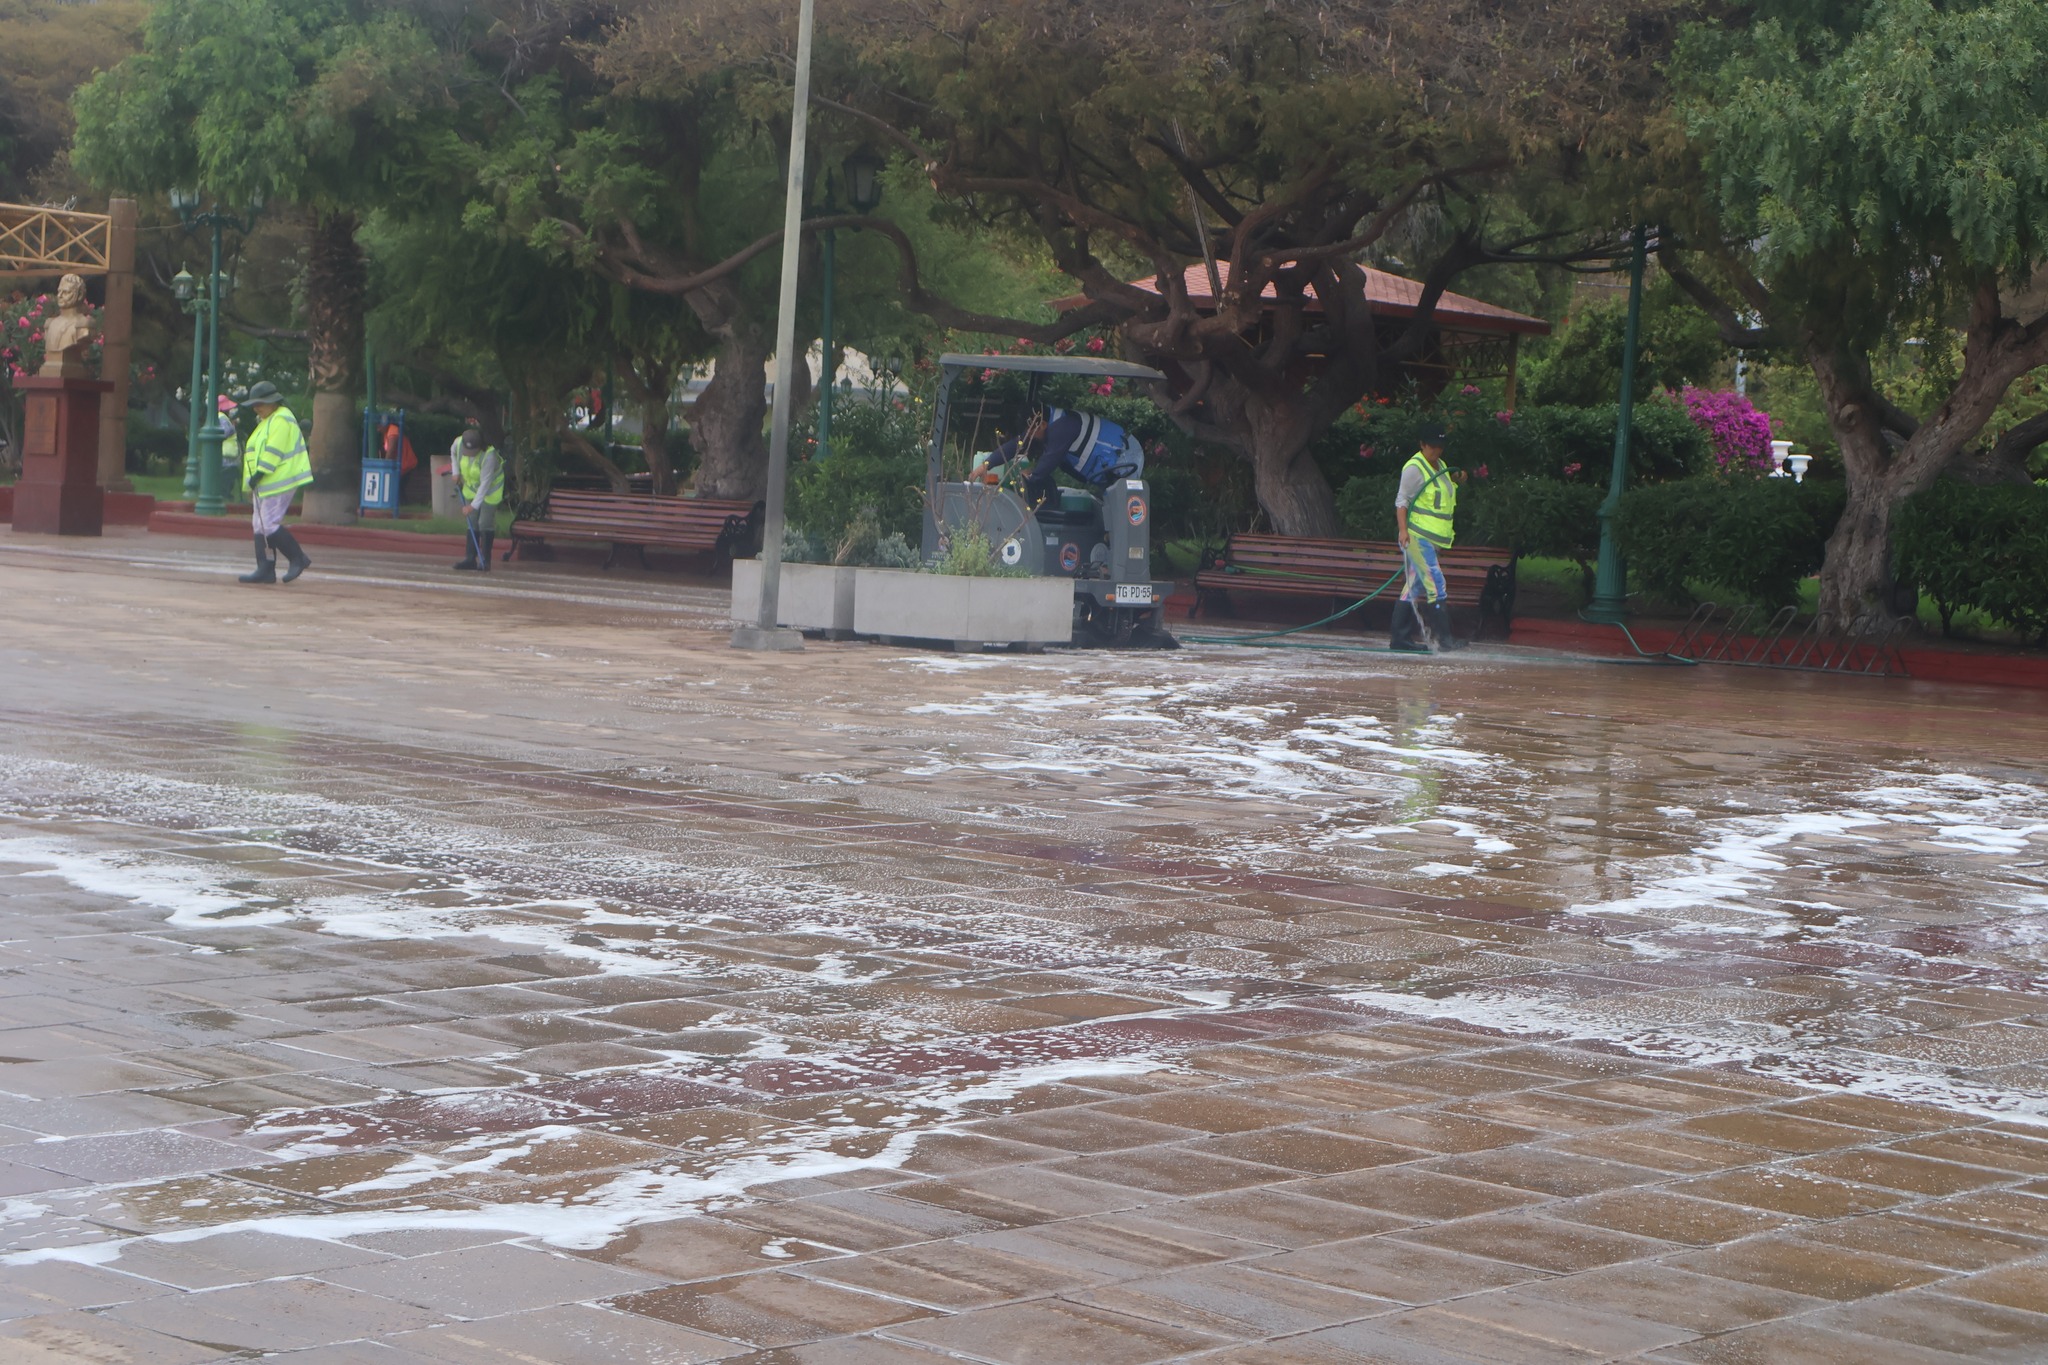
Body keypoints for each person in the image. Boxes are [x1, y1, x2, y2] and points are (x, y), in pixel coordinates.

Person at [970, 406, 1144, 509]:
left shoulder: (1064, 427)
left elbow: (1049, 460)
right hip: (1107, 465)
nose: (1028, 436)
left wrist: (1032, 475)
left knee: (1119, 507)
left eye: (1031, 431)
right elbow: (1017, 444)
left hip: (1125, 457)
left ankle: (1113, 558)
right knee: (1109, 504)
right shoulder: (1043, 424)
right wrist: (987, 464)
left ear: (1043, 424)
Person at [1391, 421, 1466, 652]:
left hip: (1434, 540)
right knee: (1435, 583)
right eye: (1432, 446)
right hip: (1417, 537)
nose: (1436, 451)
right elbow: (1402, 501)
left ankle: (1400, 640)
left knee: (1413, 587)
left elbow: (1439, 496)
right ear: (1422, 445)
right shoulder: (1414, 468)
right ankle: (1444, 639)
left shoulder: (1441, 466)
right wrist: (1403, 530)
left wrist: (1456, 480)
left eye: (1440, 446)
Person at [237, 381, 313, 584]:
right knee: (259, 525)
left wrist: (260, 473)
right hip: (266, 482)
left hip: (279, 480)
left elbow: (274, 450)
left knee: (268, 524)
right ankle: (265, 568)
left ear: (273, 402)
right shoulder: (267, 421)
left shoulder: (281, 419)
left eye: (260, 403)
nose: (256, 408)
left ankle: (298, 558)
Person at [451, 426, 503, 571]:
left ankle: (485, 560)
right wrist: (456, 472)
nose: (469, 455)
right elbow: (453, 453)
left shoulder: (489, 456)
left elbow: (485, 485)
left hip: (490, 491)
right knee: (472, 521)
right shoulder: (458, 443)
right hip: (471, 488)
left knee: (484, 522)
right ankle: (470, 559)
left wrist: (472, 506)